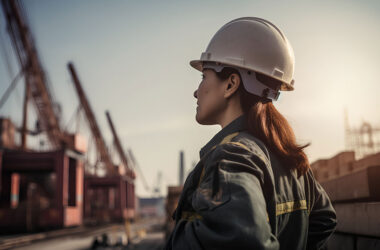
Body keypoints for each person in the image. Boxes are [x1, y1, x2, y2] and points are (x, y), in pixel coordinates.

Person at [164, 17, 337, 250]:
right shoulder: (289, 160)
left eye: (204, 76)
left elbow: (244, 241)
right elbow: (324, 219)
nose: (196, 92)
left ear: (231, 84)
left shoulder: (231, 157)